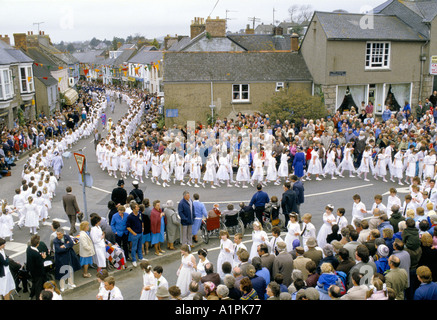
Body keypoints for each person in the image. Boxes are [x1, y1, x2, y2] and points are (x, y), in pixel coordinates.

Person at [126, 202, 144, 267]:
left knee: (140, 246)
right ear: (133, 209)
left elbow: (141, 221)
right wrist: (134, 233)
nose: (138, 208)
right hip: (135, 234)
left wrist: (142, 228)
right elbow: (128, 227)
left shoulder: (139, 213)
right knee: (134, 248)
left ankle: (140, 257)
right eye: (137, 207)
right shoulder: (130, 217)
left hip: (140, 232)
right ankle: (134, 260)